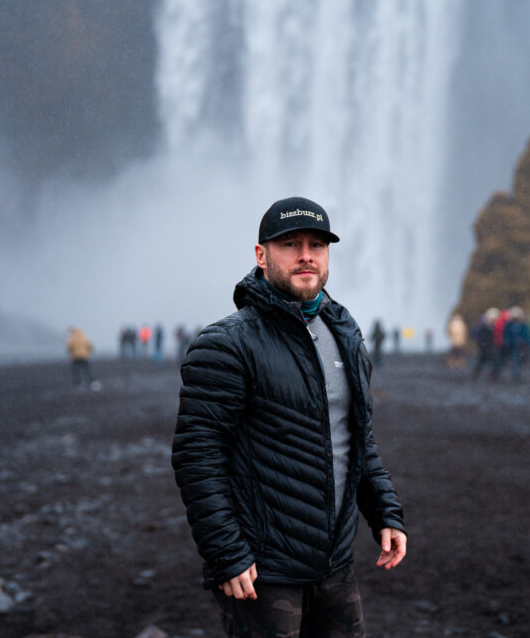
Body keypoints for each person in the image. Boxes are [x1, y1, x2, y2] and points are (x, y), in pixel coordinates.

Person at [172, 196, 407, 637]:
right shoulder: (226, 344)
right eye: (290, 244)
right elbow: (197, 457)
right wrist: (226, 554)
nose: (306, 255)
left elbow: (357, 436)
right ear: (261, 255)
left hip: (334, 563)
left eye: (317, 245)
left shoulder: (345, 334)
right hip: (261, 570)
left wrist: (384, 512)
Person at [503, 307, 530, 381]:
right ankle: (516, 375)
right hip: (512, 346)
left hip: (520, 346)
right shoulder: (509, 325)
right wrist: (507, 343)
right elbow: (506, 335)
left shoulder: (523, 325)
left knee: (517, 360)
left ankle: (517, 374)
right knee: (514, 360)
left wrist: (525, 343)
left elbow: (526, 336)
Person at [66, 327, 101, 391]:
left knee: (76, 371)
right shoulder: (84, 338)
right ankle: (91, 382)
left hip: (75, 357)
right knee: (87, 370)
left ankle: (77, 383)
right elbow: (89, 346)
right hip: (84, 356)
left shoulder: (72, 338)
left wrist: (71, 353)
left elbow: (69, 347)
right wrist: (88, 352)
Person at [471, 308, 498, 380]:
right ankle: (492, 375)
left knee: (482, 362)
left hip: (486, 347)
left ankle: (477, 374)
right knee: (487, 362)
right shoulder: (486, 327)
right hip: (486, 348)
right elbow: (484, 338)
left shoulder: (487, 327)